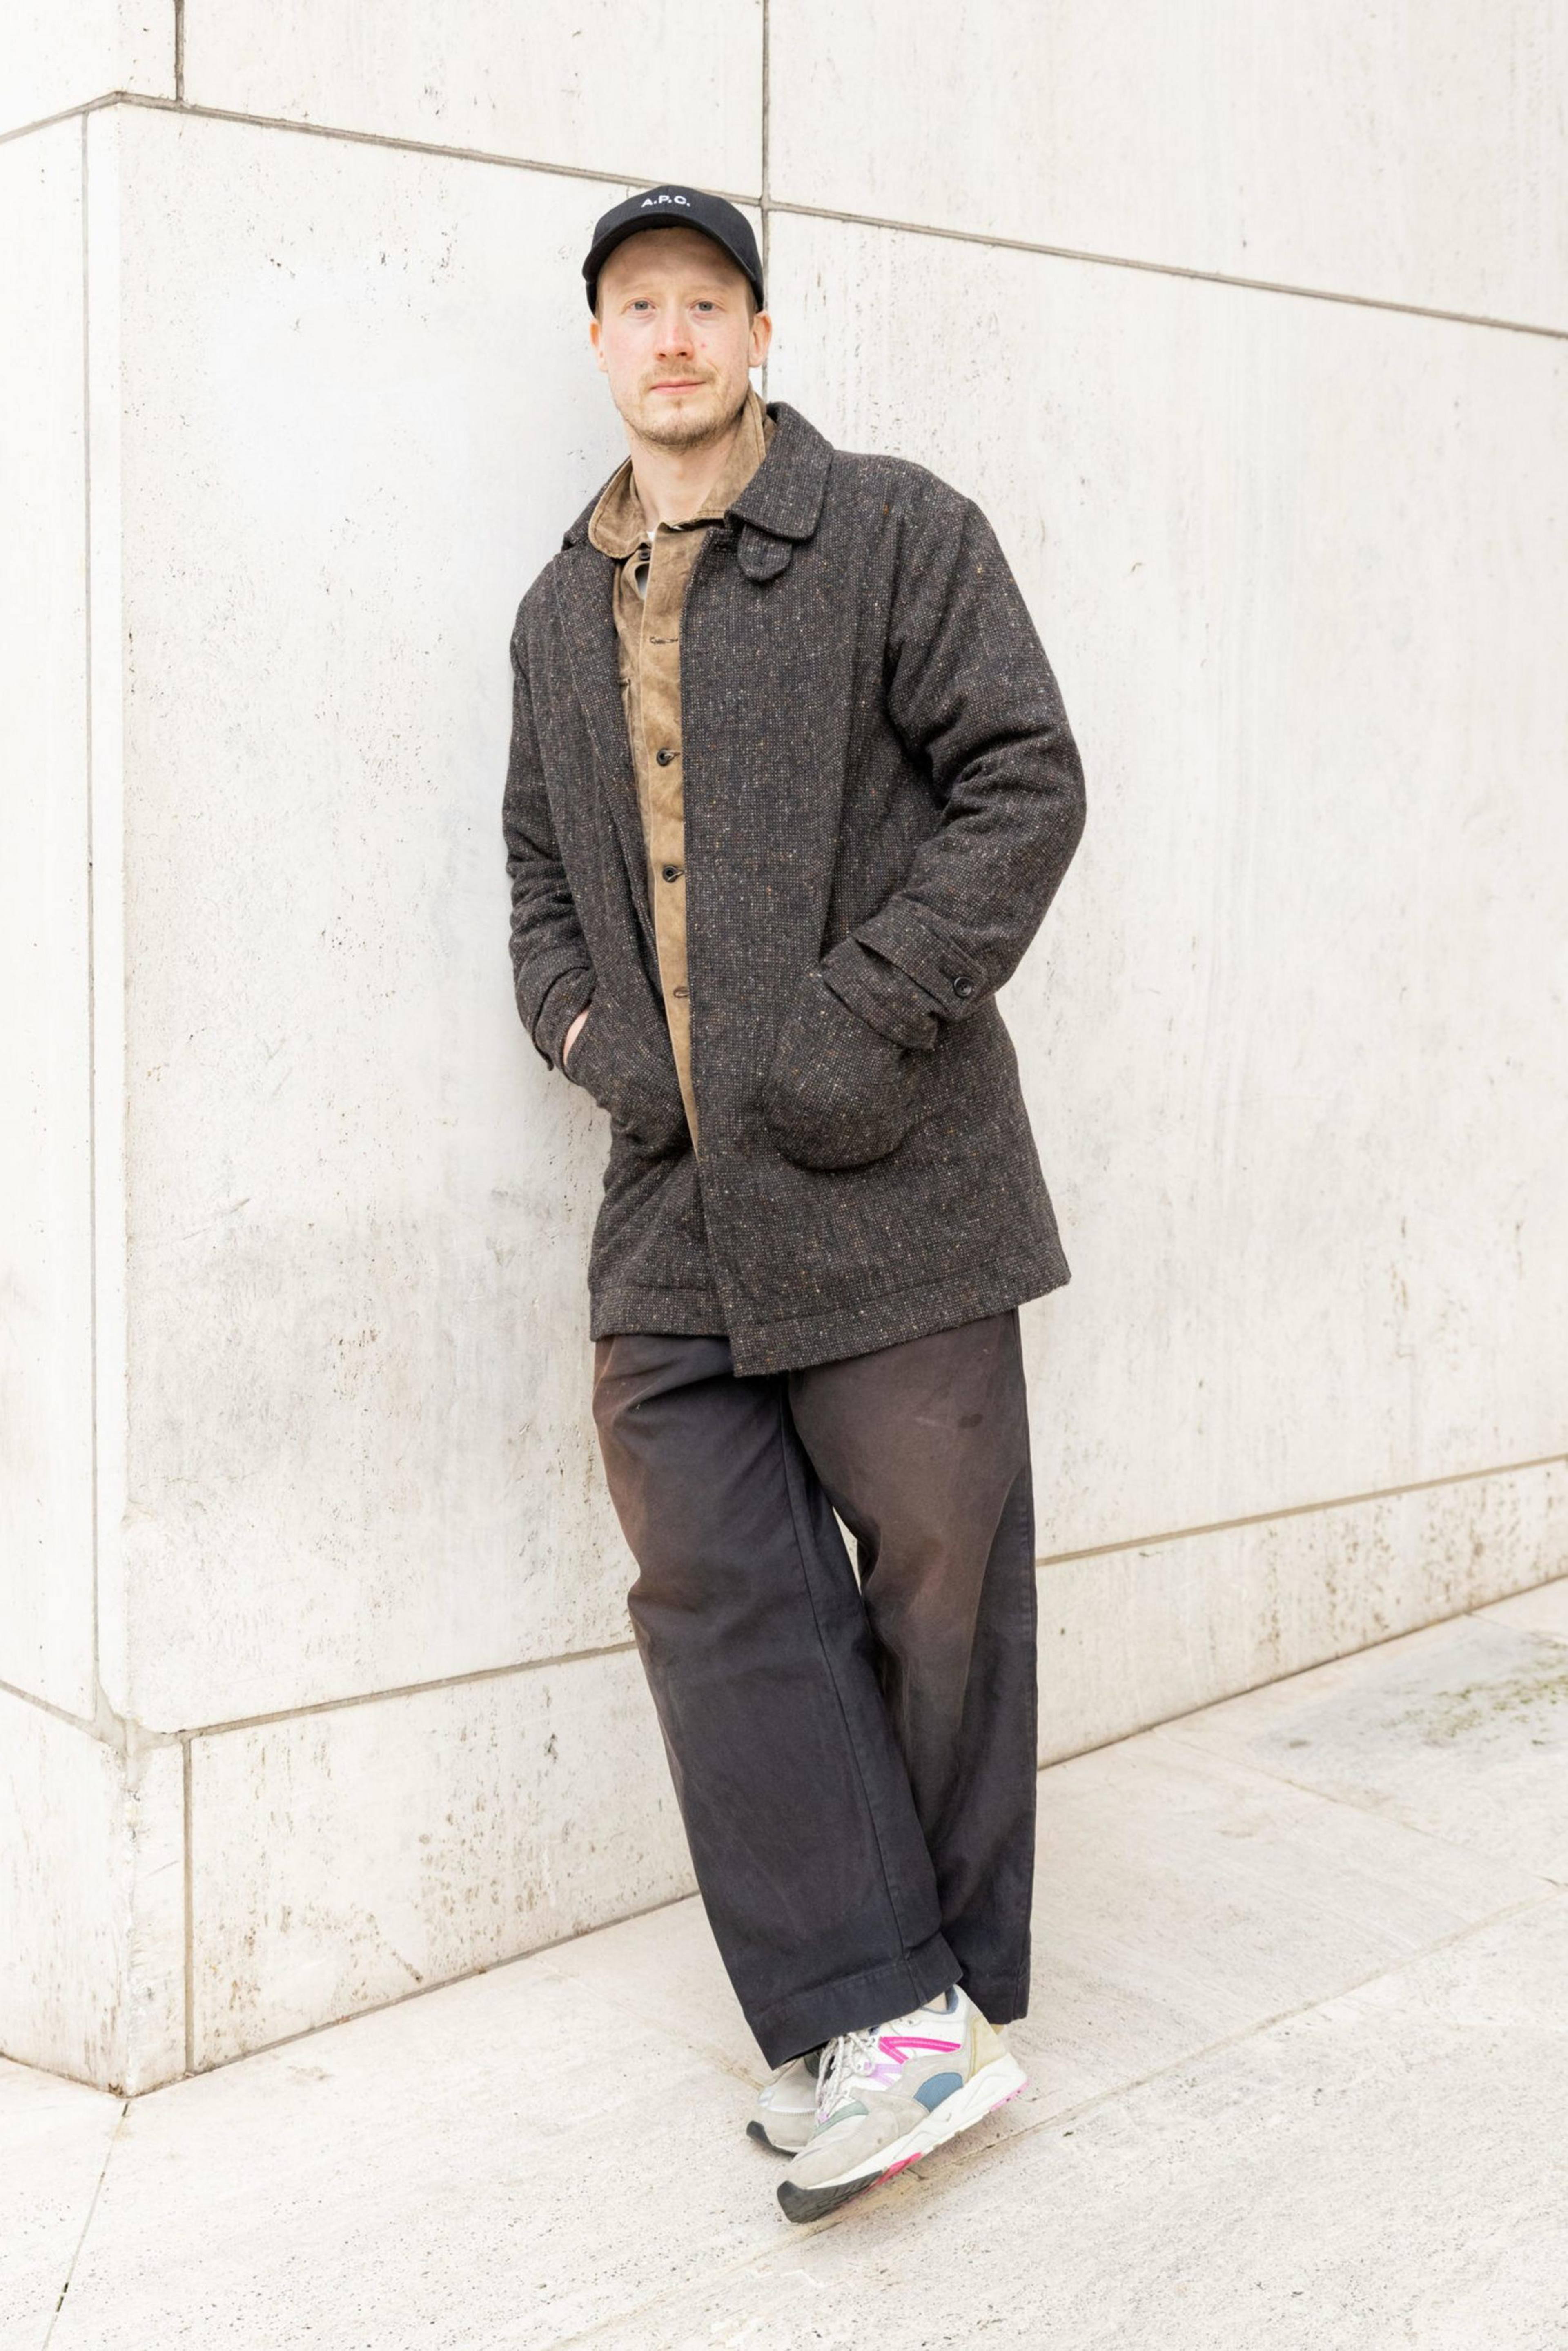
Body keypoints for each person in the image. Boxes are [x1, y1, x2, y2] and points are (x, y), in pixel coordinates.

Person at [501, 183, 1086, 2223]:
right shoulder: (555, 610)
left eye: (706, 303)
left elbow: (1027, 782)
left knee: (938, 1593)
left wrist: (850, 1026)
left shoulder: (897, 530)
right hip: (674, 1198)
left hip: (897, 1169)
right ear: (599, 342)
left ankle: (924, 2013)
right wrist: (593, 1038)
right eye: (636, 305)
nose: (671, 335)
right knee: (717, 1587)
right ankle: (882, 2013)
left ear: (759, 333)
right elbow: (537, 878)